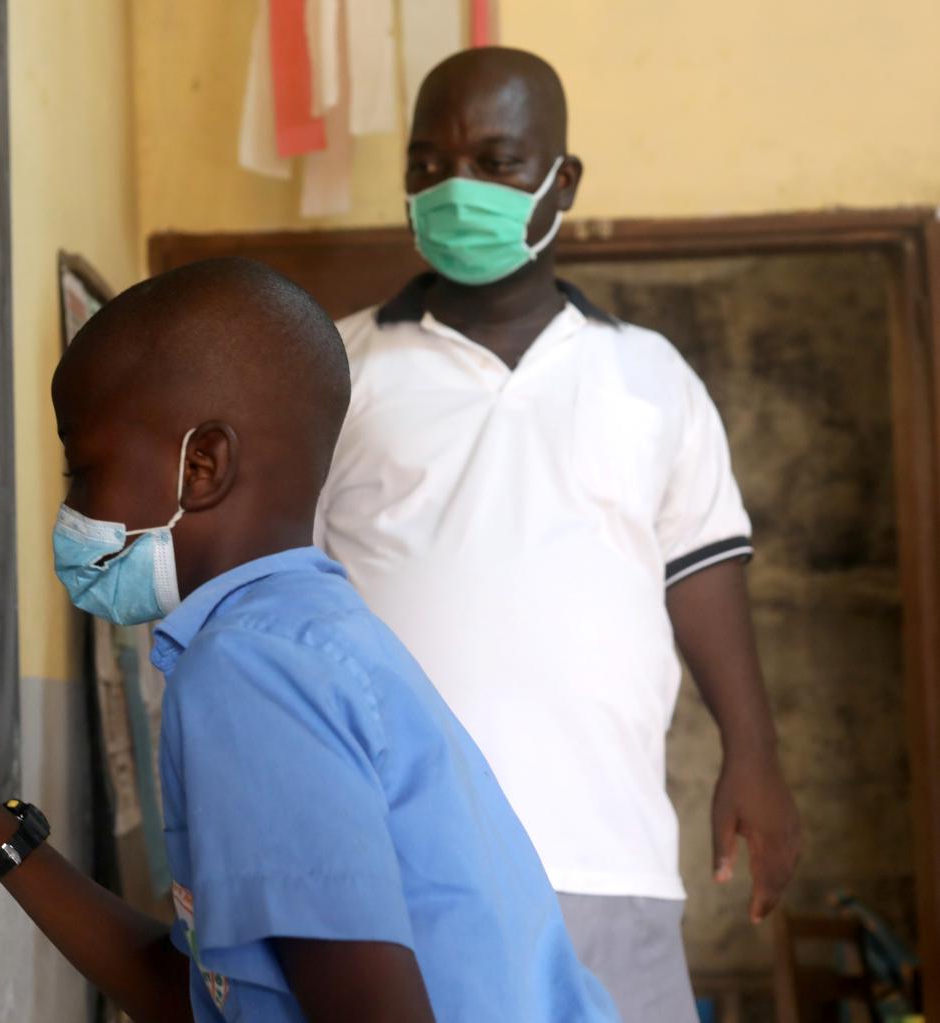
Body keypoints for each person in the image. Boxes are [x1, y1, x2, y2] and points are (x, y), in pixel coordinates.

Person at [0, 258, 618, 1022]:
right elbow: (198, 994)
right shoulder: (312, 636)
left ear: (201, 466)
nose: (71, 509)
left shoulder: (248, 671)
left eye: (84, 468)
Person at [312, 47, 802, 1021]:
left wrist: (753, 753)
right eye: (425, 164)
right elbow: (273, 589)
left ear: (559, 179)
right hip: (391, 858)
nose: (454, 189)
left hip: (602, 853)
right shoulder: (332, 366)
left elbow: (701, 576)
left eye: (494, 161)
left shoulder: (648, 377)